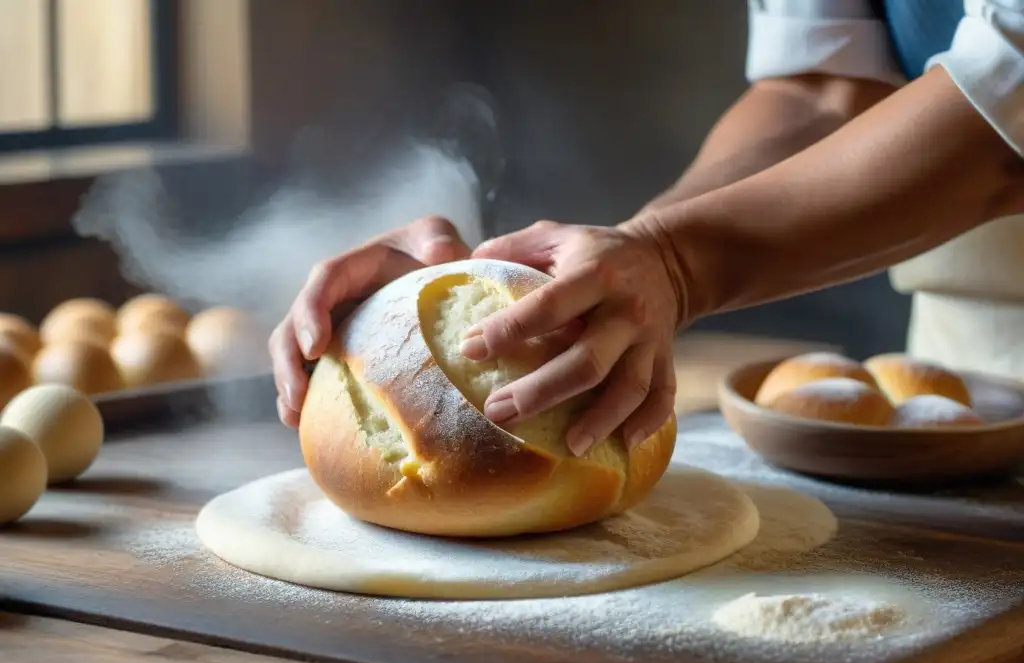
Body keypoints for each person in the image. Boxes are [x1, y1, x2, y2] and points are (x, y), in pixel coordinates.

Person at [270, 0, 1024, 457]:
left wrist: (674, 265)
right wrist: (597, 278)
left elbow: (1002, 133)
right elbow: (825, 90)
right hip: (969, 382)